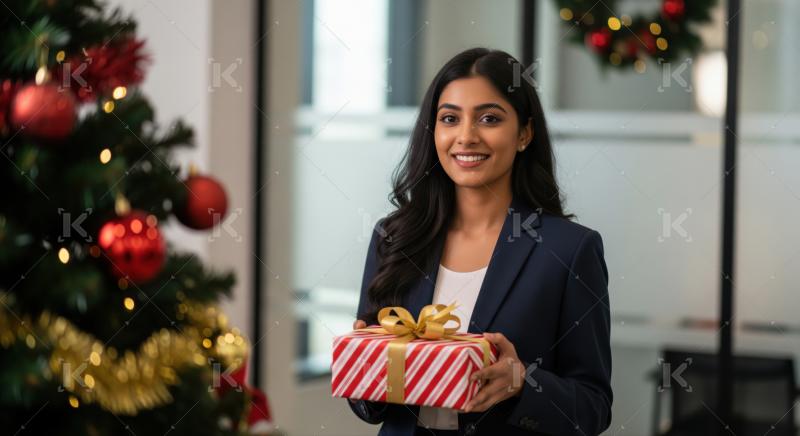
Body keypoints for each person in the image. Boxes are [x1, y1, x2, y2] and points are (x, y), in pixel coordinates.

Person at [346, 47, 612, 436]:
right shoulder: (395, 238)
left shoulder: (569, 251)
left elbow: (593, 408)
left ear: (524, 133)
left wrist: (522, 383)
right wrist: (364, 364)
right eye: (450, 119)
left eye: (489, 118)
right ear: (433, 132)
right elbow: (369, 408)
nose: (466, 137)